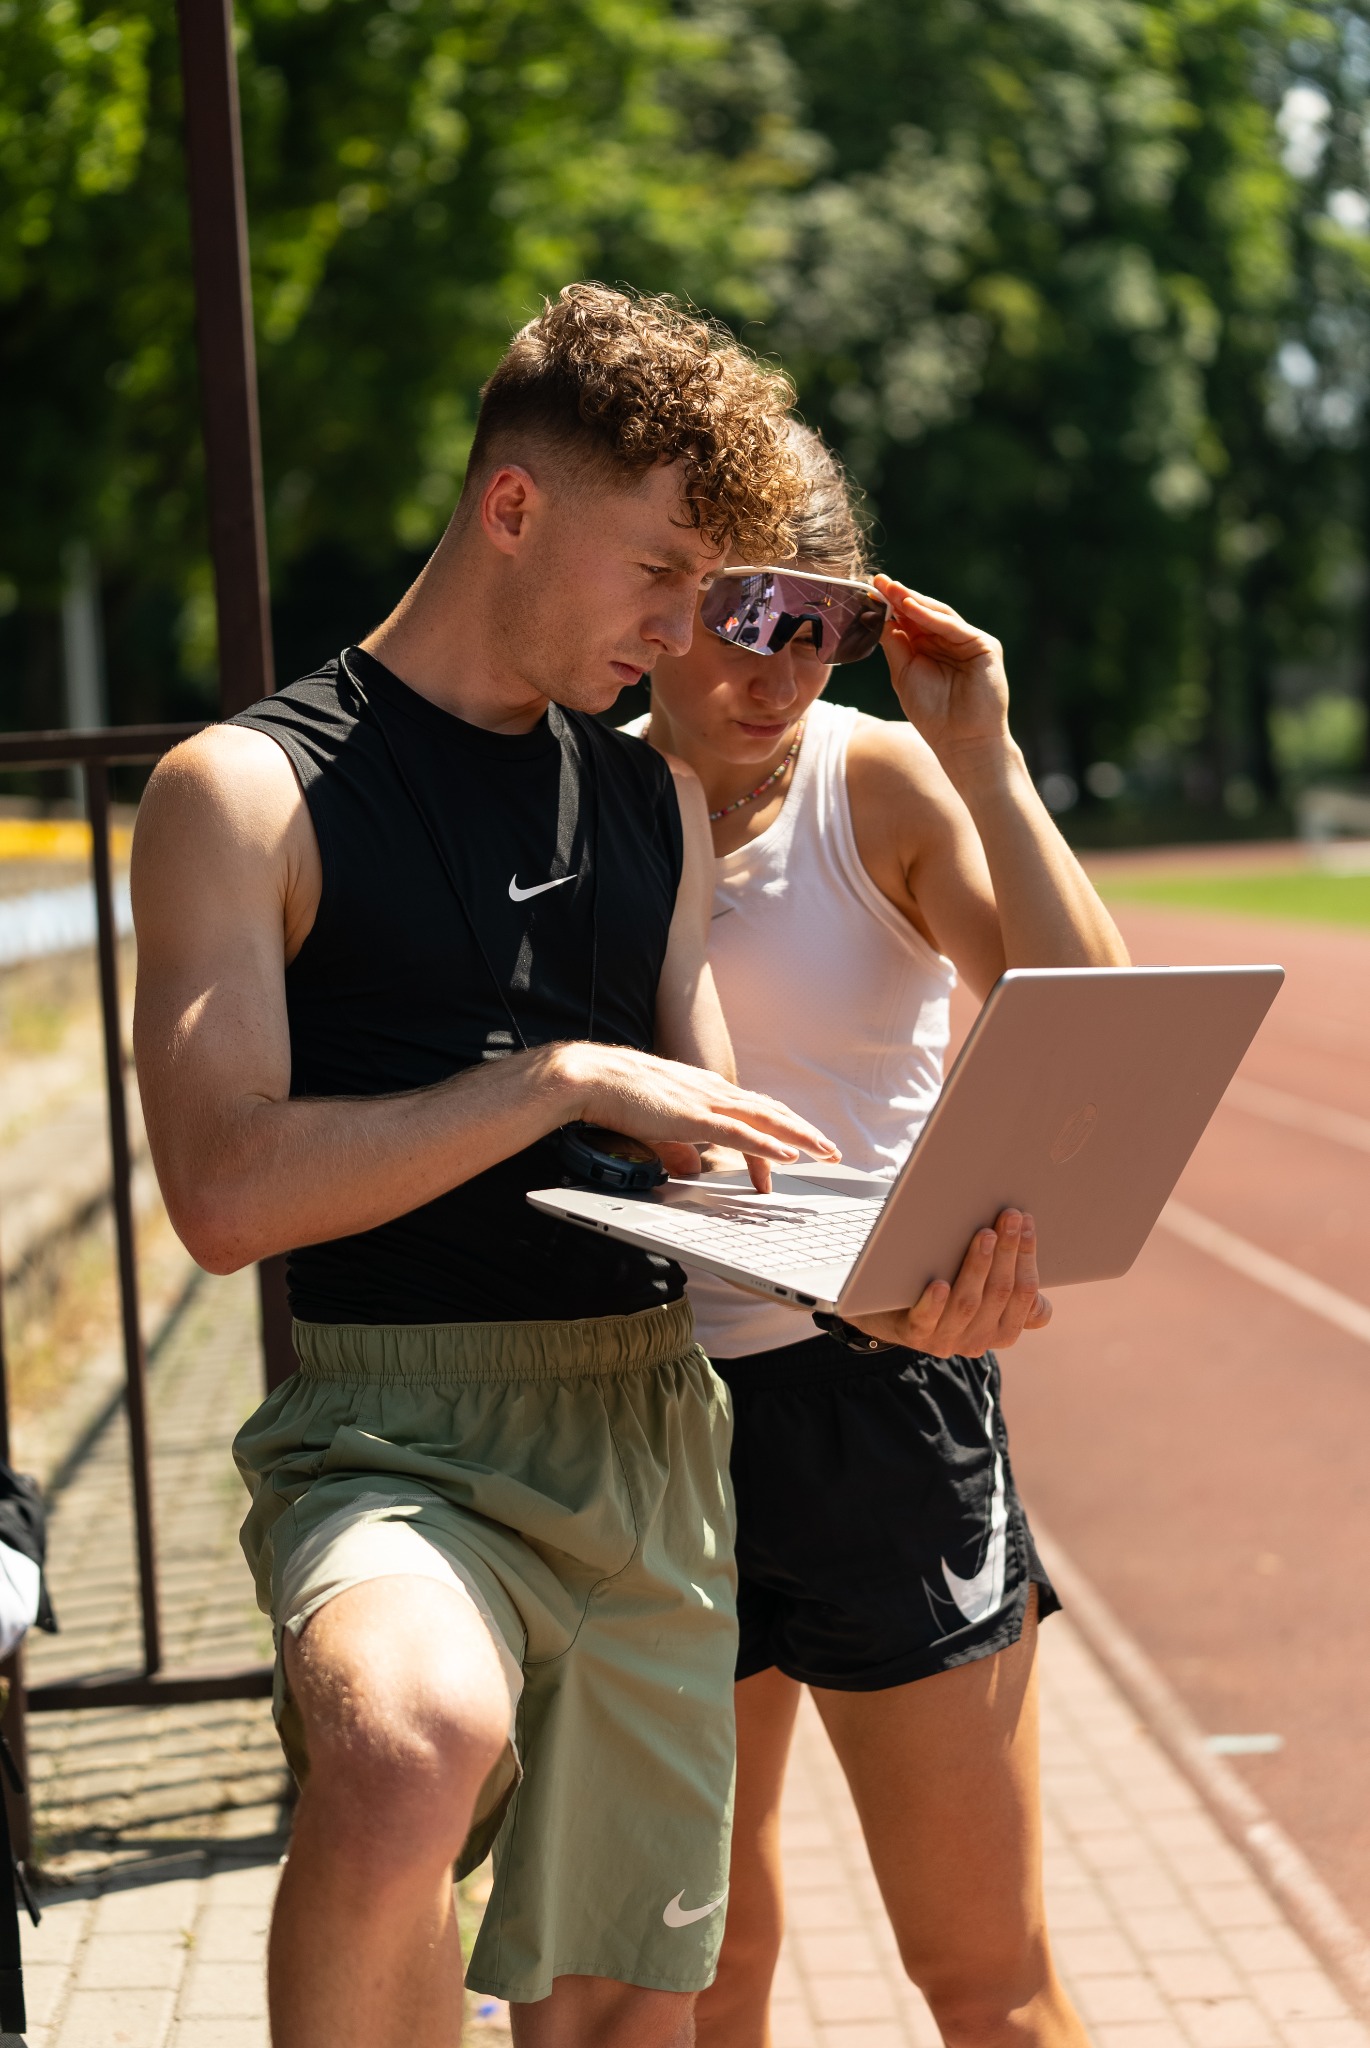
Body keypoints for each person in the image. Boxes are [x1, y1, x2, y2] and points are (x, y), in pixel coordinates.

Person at [131, 289, 1048, 2048]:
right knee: (409, 1749)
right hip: (396, 1432)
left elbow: (714, 1186)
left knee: (631, 2014)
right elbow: (226, 1194)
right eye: (662, 570)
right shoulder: (240, 790)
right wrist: (551, 1078)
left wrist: (912, 1298)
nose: (690, 626)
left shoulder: (649, 810)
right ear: (514, 507)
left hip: (652, 1433)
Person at [631, 424, 1130, 2048]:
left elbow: (1096, 1034)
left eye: (826, 621)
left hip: (882, 1403)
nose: (789, 662)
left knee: (980, 1976)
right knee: (702, 1969)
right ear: (664, 593)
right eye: (751, 612)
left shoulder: (874, 778)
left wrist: (983, 758)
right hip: (644, 1419)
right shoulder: (581, 791)